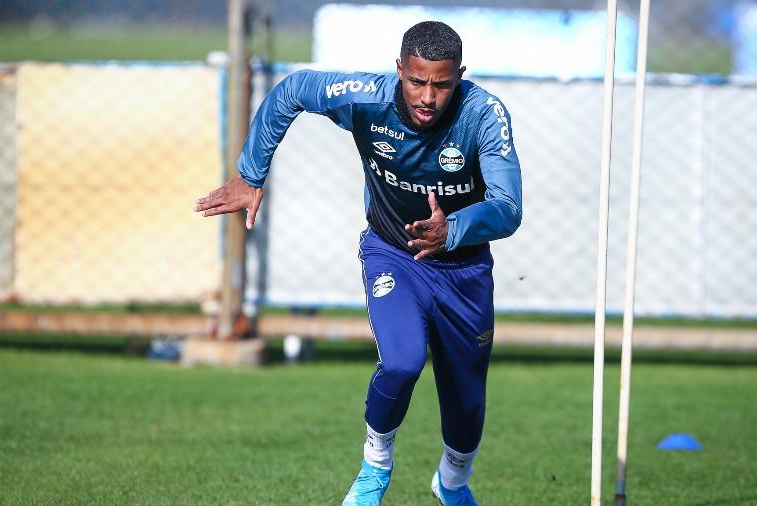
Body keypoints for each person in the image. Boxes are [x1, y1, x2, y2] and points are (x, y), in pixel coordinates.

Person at [195, 21, 522, 506]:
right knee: (402, 361)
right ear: (399, 71)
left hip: (464, 271)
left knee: (466, 399)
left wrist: (451, 230)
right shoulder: (365, 99)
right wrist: (250, 172)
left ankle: (452, 482)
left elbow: (508, 206)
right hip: (394, 255)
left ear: (459, 76)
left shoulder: (484, 115)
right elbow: (291, 91)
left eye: (442, 84)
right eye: (416, 81)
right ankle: (376, 465)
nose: (428, 97)